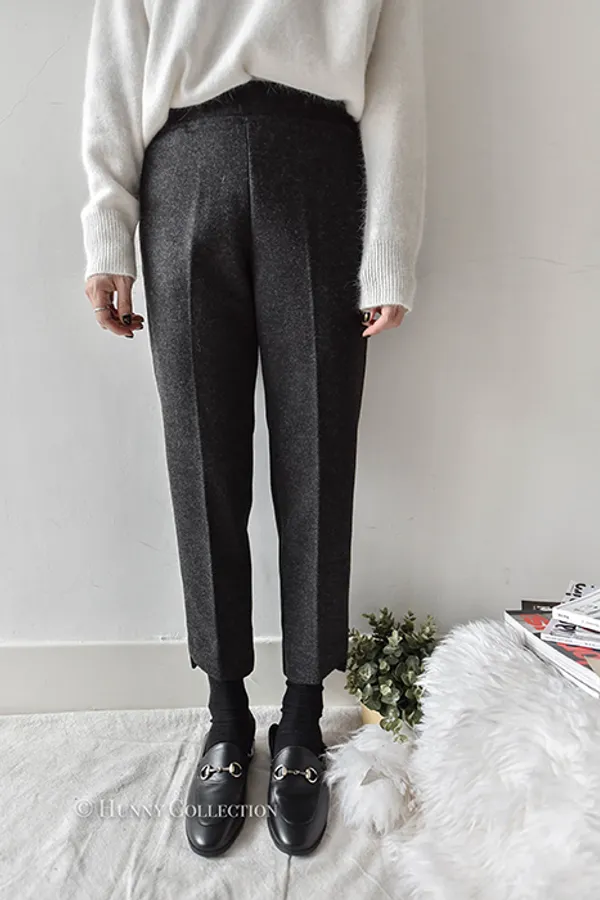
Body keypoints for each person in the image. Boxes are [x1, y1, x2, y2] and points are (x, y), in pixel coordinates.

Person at [80, 0, 426, 858]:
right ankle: (226, 717)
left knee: (319, 459)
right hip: (182, 167)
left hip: (321, 165)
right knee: (201, 462)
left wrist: (390, 248)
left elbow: (396, 81)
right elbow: (117, 62)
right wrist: (107, 232)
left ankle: (302, 718)